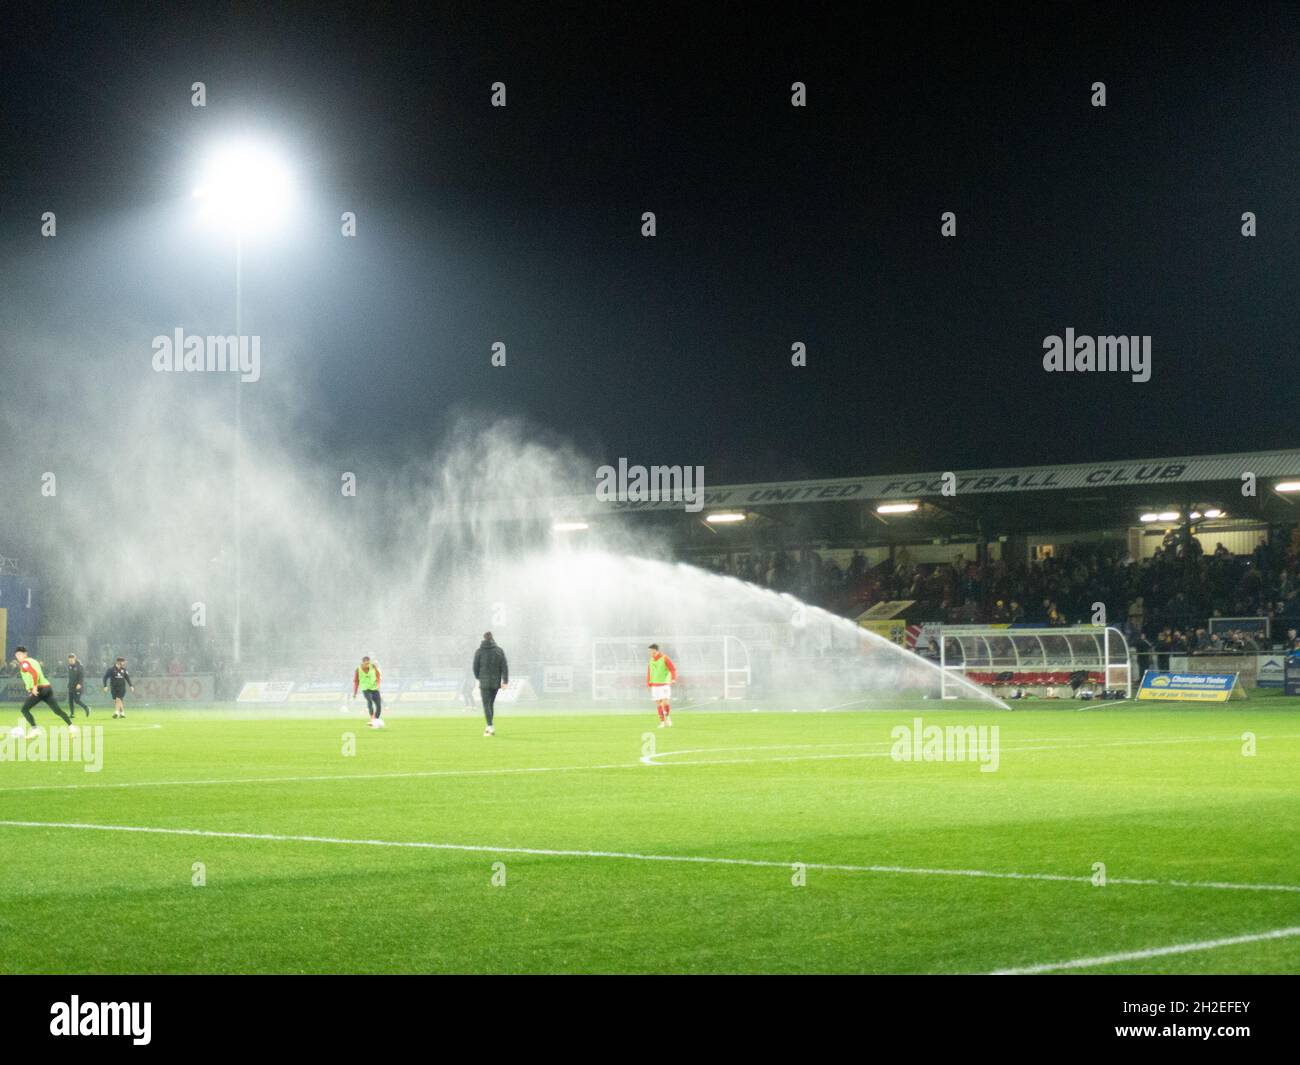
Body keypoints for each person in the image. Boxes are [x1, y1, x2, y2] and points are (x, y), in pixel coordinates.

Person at [13, 647, 76, 737]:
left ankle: (35, 729)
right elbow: (35, 673)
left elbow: (34, 673)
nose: (18, 656)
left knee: (24, 709)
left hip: (40, 689)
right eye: (16, 655)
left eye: (20, 654)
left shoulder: (24, 663)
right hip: (47, 688)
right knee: (57, 710)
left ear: (25, 654)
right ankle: (71, 726)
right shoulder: (33, 661)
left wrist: (34, 687)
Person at [472, 632, 508, 736]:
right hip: (495, 682)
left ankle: (490, 726)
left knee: (486, 704)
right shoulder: (499, 650)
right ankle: (489, 727)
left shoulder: (479, 651)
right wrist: (505, 681)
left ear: (483, 639)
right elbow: (504, 667)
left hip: (484, 682)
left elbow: (475, 667)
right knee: (490, 704)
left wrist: (479, 677)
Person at [646, 643, 678, 728]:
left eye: (651, 650)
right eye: (649, 651)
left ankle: (666, 718)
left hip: (664, 684)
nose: (650, 652)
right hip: (654, 685)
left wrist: (673, 679)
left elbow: (673, 669)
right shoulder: (651, 660)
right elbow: (649, 672)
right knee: (658, 704)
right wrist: (649, 684)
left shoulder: (665, 658)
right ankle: (663, 721)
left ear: (656, 650)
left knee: (664, 703)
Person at [352, 655, 383, 727]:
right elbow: (356, 681)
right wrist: (355, 693)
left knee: (379, 705)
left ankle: (375, 720)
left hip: (374, 688)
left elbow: (378, 675)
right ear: (362, 663)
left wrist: (378, 683)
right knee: (369, 701)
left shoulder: (373, 666)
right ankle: (372, 718)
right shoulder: (358, 670)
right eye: (366, 663)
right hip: (365, 689)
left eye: (369, 663)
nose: (368, 665)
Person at [66, 653, 91, 717]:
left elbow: (82, 676)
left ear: (74, 658)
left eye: (72, 659)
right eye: (69, 660)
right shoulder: (69, 666)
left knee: (77, 700)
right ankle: (72, 714)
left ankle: (86, 708)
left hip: (77, 686)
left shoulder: (79, 666)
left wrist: (79, 684)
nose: (70, 661)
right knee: (70, 701)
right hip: (71, 686)